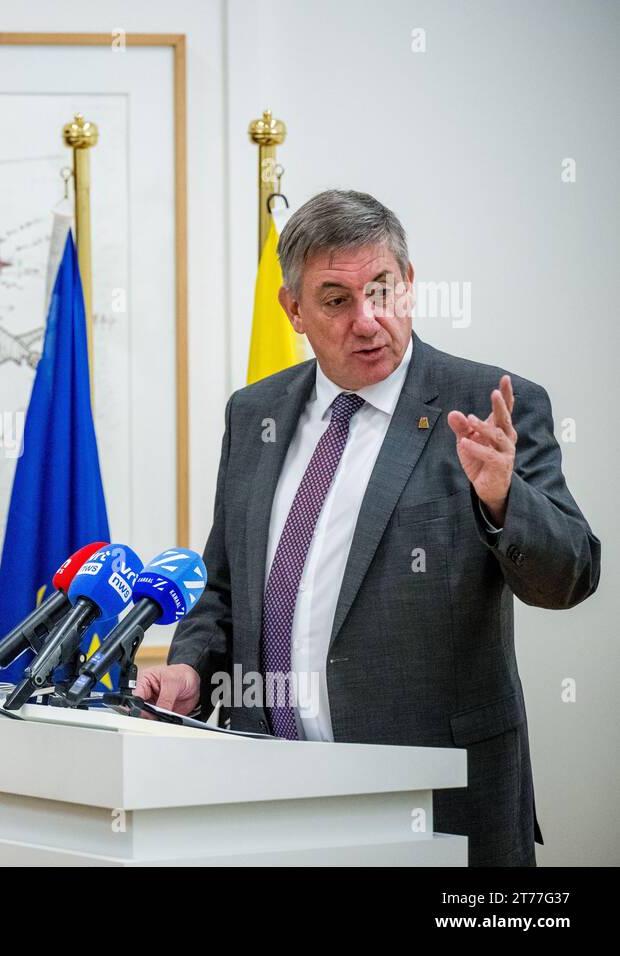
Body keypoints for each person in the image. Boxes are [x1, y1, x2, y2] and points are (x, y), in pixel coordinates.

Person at [136, 189, 600, 866]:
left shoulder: (490, 406)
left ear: (409, 284)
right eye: (335, 300)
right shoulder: (254, 415)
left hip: (434, 807)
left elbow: (572, 578)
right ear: (291, 310)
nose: (369, 319)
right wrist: (189, 667)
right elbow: (226, 587)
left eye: (383, 290)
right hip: (265, 802)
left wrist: (506, 501)